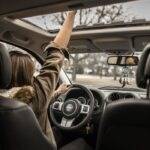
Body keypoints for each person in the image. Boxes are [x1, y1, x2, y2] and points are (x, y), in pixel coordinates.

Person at [0, 11, 76, 148]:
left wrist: (57, 92)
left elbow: (42, 102)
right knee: (82, 144)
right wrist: (71, 14)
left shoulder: (5, 104)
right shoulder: (35, 96)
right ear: (28, 75)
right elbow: (55, 55)